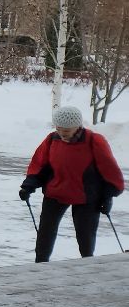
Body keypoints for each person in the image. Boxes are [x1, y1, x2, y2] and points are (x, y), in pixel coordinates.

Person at [22, 104, 124, 261]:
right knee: (45, 233)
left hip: (86, 197)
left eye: (67, 130)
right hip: (56, 192)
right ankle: (40, 266)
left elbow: (109, 170)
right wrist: (29, 185)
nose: (62, 133)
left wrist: (107, 196)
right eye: (59, 129)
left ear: (77, 127)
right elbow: (40, 164)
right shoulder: (52, 139)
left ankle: (86, 266)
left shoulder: (94, 141)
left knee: (85, 237)